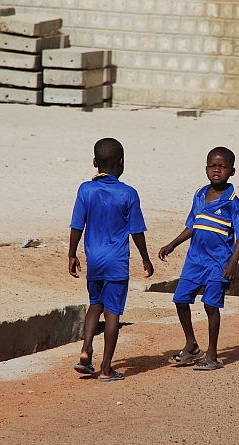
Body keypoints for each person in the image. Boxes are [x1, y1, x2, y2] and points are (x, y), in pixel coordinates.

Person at [158, 146, 239, 370]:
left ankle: (212, 354)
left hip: (218, 263)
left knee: (210, 305)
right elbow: (193, 224)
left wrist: (233, 262)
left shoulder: (231, 201)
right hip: (194, 261)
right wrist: (172, 244)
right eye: (212, 166)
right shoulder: (200, 194)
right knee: (180, 299)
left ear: (232, 171)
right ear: (206, 168)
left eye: (223, 167)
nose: (217, 170)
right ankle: (191, 345)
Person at [68, 138, 154, 382]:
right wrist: (145, 259)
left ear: (94, 162)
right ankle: (106, 368)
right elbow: (136, 230)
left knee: (94, 303)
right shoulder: (129, 193)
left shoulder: (85, 189)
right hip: (116, 262)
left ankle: (86, 349)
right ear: (122, 163)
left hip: (93, 260)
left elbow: (77, 224)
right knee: (113, 312)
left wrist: (72, 253)